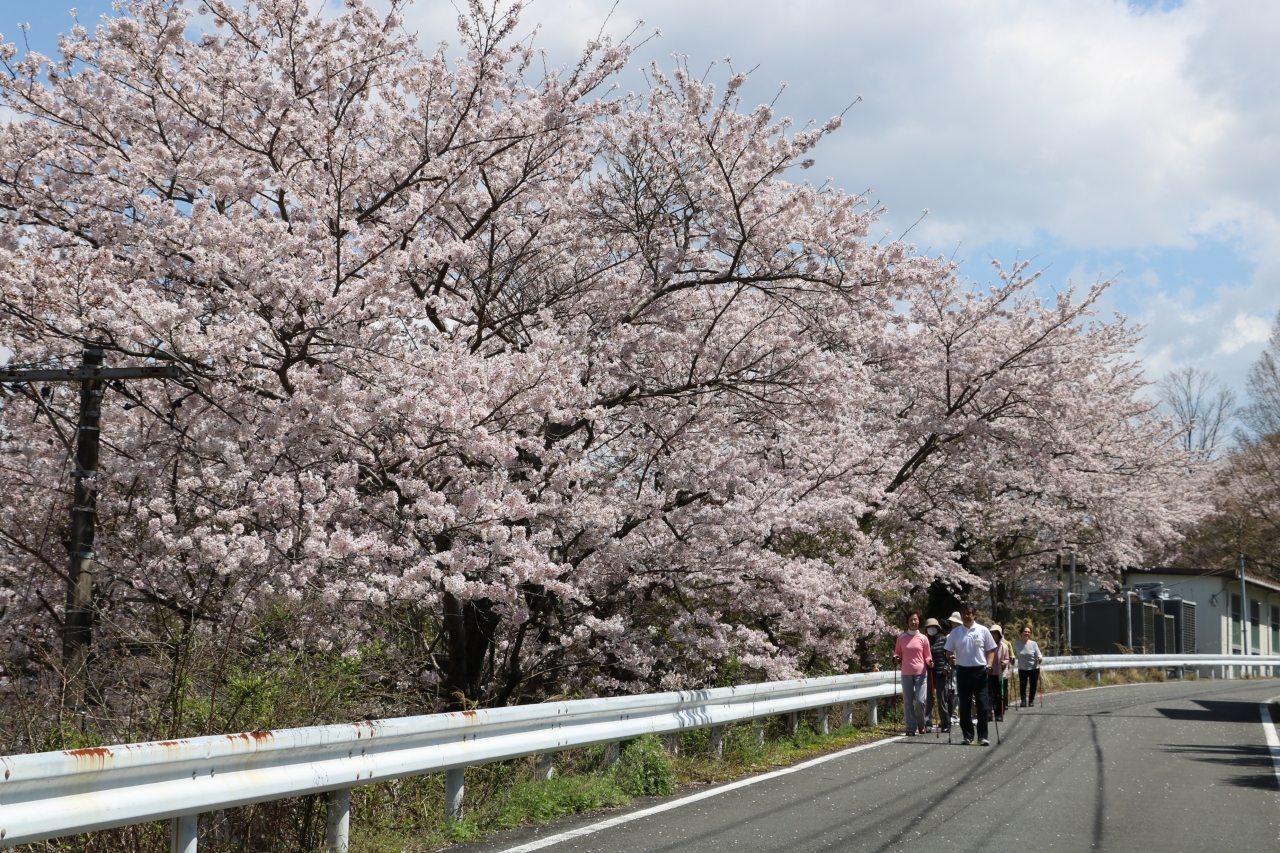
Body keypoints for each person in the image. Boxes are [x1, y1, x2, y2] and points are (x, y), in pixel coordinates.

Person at [944, 603, 997, 746]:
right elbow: (948, 650)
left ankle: (983, 736)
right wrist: (950, 658)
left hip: (980, 670)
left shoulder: (983, 630)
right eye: (963, 613)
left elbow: (991, 649)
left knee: (982, 705)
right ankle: (968, 736)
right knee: (965, 706)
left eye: (969, 613)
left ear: (974, 615)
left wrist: (989, 665)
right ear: (960, 615)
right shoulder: (955, 633)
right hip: (962, 670)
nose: (966, 616)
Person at [893, 610, 932, 736]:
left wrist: (930, 661)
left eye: (915, 619)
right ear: (907, 622)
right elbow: (897, 652)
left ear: (919, 621)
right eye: (911, 620)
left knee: (921, 701)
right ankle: (910, 727)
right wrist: (895, 657)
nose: (913, 622)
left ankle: (921, 725)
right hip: (906, 673)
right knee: (908, 702)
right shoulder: (902, 638)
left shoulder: (923, 638)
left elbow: (927, 655)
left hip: (921, 672)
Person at [924, 617, 953, 732]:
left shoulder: (944, 640)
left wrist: (947, 667)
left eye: (934, 628)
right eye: (929, 628)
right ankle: (928, 723)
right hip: (929, 673)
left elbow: (949, 656)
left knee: (941, 700)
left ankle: (945, 723)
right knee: (928, 700)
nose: (931, 630)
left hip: (941, 673)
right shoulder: (925, 641)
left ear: (938, 629)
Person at [1014, 624, 1043, 707]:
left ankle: (1031, 700)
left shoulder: (1033, 644)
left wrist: (1040, 658)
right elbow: (1013, 653)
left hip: (1034, 667)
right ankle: (1023, 701)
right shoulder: (1017, 644)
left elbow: (1039, 653)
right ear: (1021, 633)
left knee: (1033, 685)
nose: (1027, 633)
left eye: (1029, 632)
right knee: (1023, 684)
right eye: (1025, 631)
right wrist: (1011, 658)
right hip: (1022, 668)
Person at [988, 625, 1012, 721]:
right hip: (990, 673)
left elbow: (1007, 658)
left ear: (999, 635)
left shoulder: (1004, 646)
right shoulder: (988, 645)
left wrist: (1004, 663)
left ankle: (999, 714)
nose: (993, 635)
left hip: (1001, 674)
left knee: (1000, 695)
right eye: (992, 633)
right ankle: (989, 713)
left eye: (995, 633)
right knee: (989, 694)